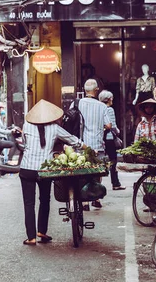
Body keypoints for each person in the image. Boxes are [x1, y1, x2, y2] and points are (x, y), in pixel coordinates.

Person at [19, 99, 84, 246]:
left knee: (29, 203)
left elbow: (25, 144)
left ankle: (31, 237)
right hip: (45, 170)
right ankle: (42, 231)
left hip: (27, 169)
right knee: (45, 200)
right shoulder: (54, 128)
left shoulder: (26, 125)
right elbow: (72, 140)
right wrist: (86, 147)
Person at [78, 79, 111, 208]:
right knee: (97, 172)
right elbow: (108, 125)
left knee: (83, 172)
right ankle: (96, 199)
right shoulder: (102, 106)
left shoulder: (77, 103)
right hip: (97, 144)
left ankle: (84, 201)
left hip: (81, 144)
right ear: (96, 90)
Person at [99, 90, 125, 191]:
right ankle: (115, 183)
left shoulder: (99, 108)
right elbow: (112, 126)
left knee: (100, 162)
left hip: (101, 139)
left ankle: (98, 185)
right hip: (110, 139)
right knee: (113, 161)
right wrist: (117, 131)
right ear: (109, 99)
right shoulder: (109, 109)